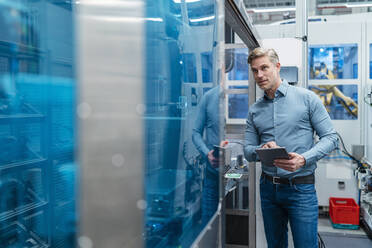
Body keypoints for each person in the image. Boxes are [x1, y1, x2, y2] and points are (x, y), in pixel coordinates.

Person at [244, 47, 338, 248]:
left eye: (264, 68)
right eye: (254, 70)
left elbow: (331, 138)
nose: (259, 75)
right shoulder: (255, 110)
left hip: (300, 188)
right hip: (268, 189)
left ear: (277, 67)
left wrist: (304, 159)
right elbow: (248, 151)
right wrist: (262, 149)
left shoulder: (307, 98)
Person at [192, 86, 226, 224]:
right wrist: (207, 154)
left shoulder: (248, 94)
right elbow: (195, 133)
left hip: (238, 177)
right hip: (213, 176)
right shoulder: (209, 97)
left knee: (236, 230)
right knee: (209, 225)